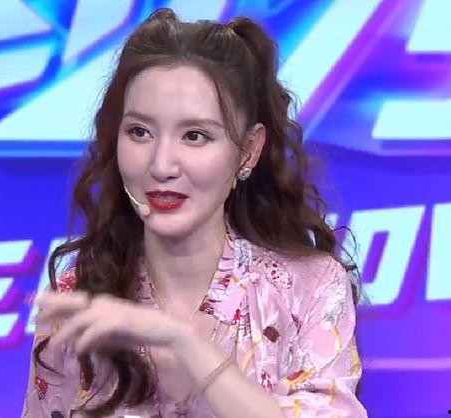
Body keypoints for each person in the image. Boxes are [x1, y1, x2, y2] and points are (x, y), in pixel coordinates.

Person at [22, 8, 368, 418]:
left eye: (194, 136)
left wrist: (183, 344)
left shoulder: (308, 288)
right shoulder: (80, 294)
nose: (161, 165)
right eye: (139, 132)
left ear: (249, 151)